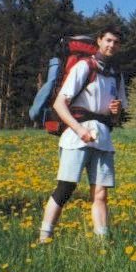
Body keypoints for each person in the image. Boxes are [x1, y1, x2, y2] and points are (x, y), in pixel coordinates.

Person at [39, 29, 127, 242]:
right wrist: (79, 130)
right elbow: (59, 104)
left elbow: (116, 116)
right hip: (76, 136)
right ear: (99, 41)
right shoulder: (84, 66)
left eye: (116, 42)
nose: (111, 45)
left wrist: (116, 112)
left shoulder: (116, 75)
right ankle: (44, 238)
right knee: (65, 188)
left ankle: (102, 244)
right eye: (108, 40)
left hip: (103, 138)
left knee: (100, 193)